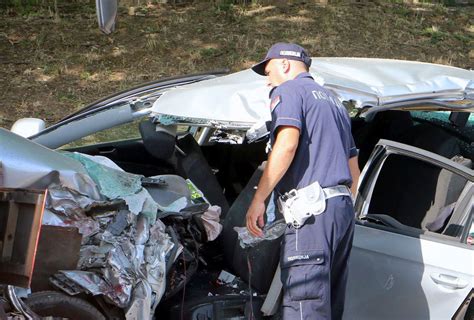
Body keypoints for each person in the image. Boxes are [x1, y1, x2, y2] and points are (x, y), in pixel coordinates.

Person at [246, 43, 360, 320]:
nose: (268, 81)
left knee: (304, 303)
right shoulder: (334, 102)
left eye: (269, 71)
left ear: (285, 64)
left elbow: (286, 145)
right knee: (327, 304)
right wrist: (340, 209)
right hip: (341, 210)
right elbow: (353, 167)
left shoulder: (288, 91)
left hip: (311, 213)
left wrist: (259, 199)